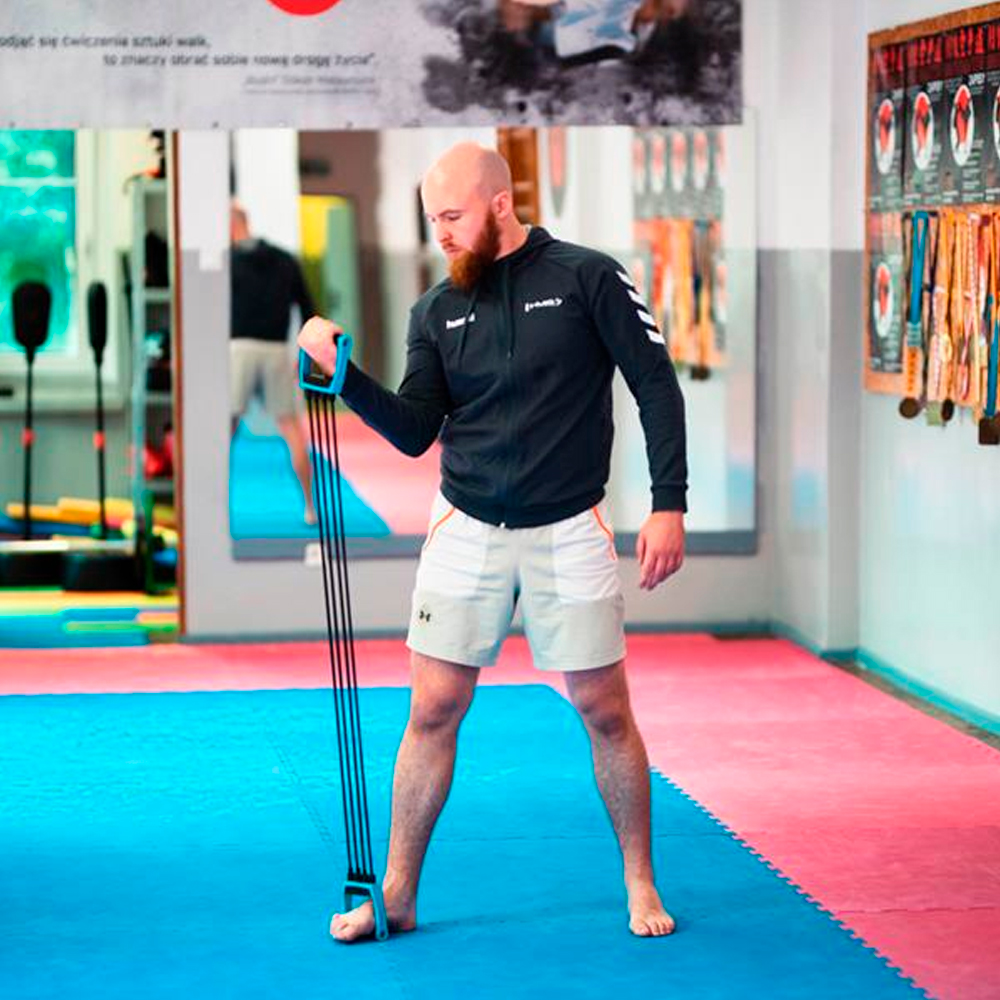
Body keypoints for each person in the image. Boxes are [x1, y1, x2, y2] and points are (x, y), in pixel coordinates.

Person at [298, 142, 687, 941]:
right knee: (433, 707)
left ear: (500, 204)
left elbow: (654, 382)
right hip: (467, 524)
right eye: (431, 218)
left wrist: (668, 503)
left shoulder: (587, 277)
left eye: (452, 216)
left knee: (604, 710)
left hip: (568, 523)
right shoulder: (436, 311)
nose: (440, 233)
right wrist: (347, 379)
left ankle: (640, 881)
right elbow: (415, 430)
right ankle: (397, 894)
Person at [230, 202, 318, 523]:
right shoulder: (284, 260)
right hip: (277, 350)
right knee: (292, 428)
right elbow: (308, 308)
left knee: (224, 430)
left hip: (239, 349)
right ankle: (309, 507)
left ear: (229, 225)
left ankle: (208, 509)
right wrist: (305, 354)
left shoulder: (226, 262)